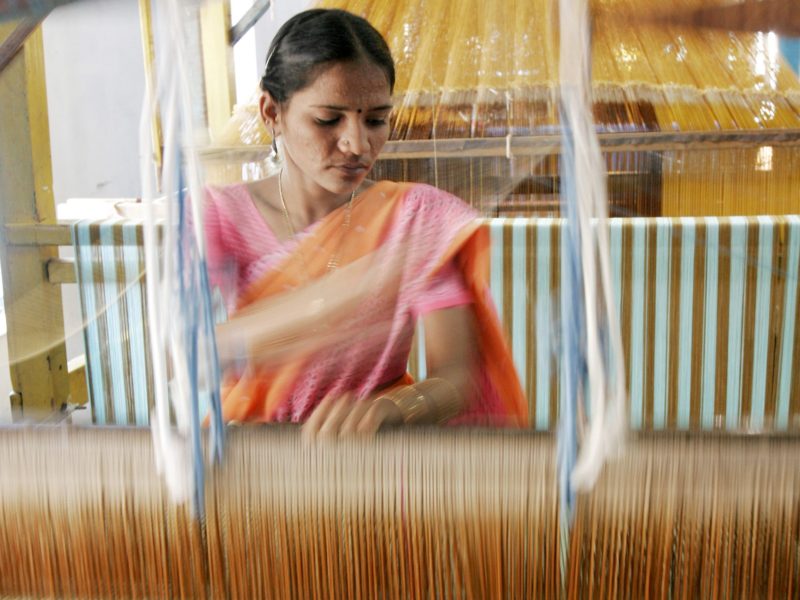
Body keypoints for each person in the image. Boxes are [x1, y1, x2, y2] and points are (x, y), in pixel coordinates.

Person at [205, 8, 526, 439]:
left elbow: (456, 376)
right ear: (271, 112)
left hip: (375, 466)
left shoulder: (415, 220)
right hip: (255, 466)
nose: (358, 144)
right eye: (327, 119)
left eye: (376, 120)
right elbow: (189, 354)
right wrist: (343, 296)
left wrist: (393, 408)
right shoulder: (220, 217)